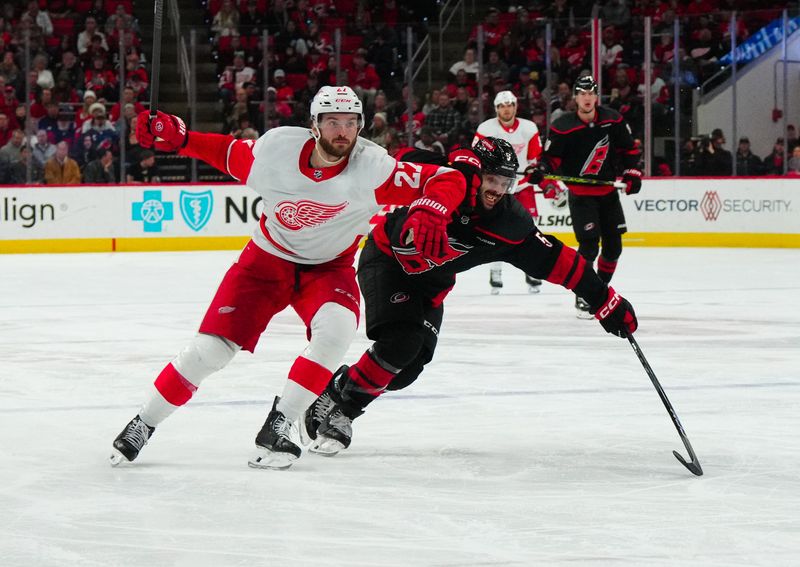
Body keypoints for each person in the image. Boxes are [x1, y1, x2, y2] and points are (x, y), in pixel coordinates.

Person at [109, 86, 466, 470]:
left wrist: (432, 208)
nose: (342, 132)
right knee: (209, 352)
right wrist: (179, 137)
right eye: (332, 122)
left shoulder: (373, 166)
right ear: (313, 125)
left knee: (336, 332)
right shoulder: (275, 151)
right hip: (265, 263)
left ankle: (280, 425)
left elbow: (449, 179)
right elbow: (225, 152)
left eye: (351, 123)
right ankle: (142, 423)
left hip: (330, 268)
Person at [300, 137, 639, 456]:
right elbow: (398, 160)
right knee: (400, 344)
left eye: (505, 183)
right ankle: (344, 412)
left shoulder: (509, 224)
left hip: (432, 286)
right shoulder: (444, 177)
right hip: (387, 262)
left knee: (405, 370)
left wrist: (604, 300)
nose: (497, 190)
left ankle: (339, 385)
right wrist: (449, 166)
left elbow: (559, 261)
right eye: (491, 179)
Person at [528, 75, 641, 318]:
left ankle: (599, 290)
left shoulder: (613, 119)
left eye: (591, 93)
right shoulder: (563, 125)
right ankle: (584, 291)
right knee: (589, 247)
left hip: (608, 193)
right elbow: (551, 159)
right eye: (583, 93)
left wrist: (632, 173)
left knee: (614, 248)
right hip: (581, 195)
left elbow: (630, 149)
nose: (587, 98)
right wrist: (541, 172)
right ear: (576, 97)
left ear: (596, 96)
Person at [474, 90, 544, 294]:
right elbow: (478, 157)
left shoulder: (529, 128)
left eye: (510, 104)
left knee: (530, 230)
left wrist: (533, 171)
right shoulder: (486, 129)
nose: (506, 109)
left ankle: (532, 270)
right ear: (497, 109)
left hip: (522, 185)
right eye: (502, 106)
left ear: (515, 106)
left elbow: (534, 159)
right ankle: (495, 271)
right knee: (494, 228)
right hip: (496, 187)